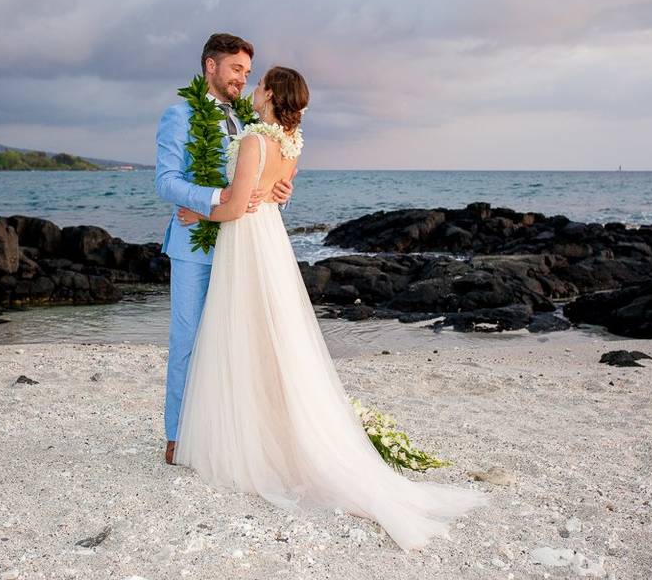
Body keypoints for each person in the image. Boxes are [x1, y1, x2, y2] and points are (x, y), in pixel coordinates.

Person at [173, 66, 486, 551]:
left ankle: (249, 442)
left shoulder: (256, 140)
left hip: (248, 243)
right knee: (273, 339)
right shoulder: (293, 144)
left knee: (245, 336)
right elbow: (275, 194)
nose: (253, 90)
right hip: (269, 242)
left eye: (259, 84)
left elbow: (236, 206)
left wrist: (200, 210)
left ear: (272, 94)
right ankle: (269, 430)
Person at [155, 33, 293, 466]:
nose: (241, 79)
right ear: (210, 66)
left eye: (248, 73)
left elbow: (258, 178)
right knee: (190, 341)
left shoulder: (251, 122)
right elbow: (166, 182)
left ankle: (229, 431)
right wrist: (215, 199)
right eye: (236, 69)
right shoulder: (180, 115)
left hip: (243, 248)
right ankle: (178, 435)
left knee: (238, 342)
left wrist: (279, 191)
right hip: (195, 249)